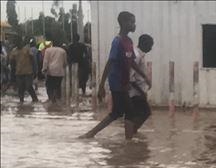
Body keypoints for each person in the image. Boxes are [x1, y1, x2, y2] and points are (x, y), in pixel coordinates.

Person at [82, 11, 149, 139]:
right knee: (129, 112)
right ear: (124, 23)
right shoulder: (117, 42)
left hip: (124, 83)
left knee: (117, 112)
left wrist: (144, 76)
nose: (134, 25)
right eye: (132, 22)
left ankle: (91, 134)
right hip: (117, 83)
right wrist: (101, 85)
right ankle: (128, 143)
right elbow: (110, 62)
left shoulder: (129, 41)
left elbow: (132, 63)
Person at [127, 34, 154, 136]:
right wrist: (141, 92)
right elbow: (131, 77)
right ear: (145, 44)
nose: (151, 48)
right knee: (145, 112)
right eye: (150, 45)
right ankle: (131, 132)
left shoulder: (139, 55)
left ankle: (131, 133)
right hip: (135, 92)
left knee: (138, 113)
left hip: (137, 91)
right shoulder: (137, 56)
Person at [42, 38, 67, 103]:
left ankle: (51, 99)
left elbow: (45, 61)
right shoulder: (63, 51)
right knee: (57, 86)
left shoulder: (48, 50)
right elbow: (65, 63)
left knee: (49, 86)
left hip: (51, 71)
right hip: (60, 72)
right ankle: (58, 99)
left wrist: (44, 69)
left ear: (52, 44)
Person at [13, 39, 38, 103]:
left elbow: (33, 60)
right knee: (20, 87)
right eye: (16, 42)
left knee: (29, 86)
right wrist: (12, 73)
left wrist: (35, 70)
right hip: (18, 72)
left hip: (28, 72)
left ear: (22, 43)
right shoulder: (14, 51)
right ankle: (21, 101)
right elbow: (12, 62)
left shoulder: (27, 50)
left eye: (19, 42)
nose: (18, 44)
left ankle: (35, 99)